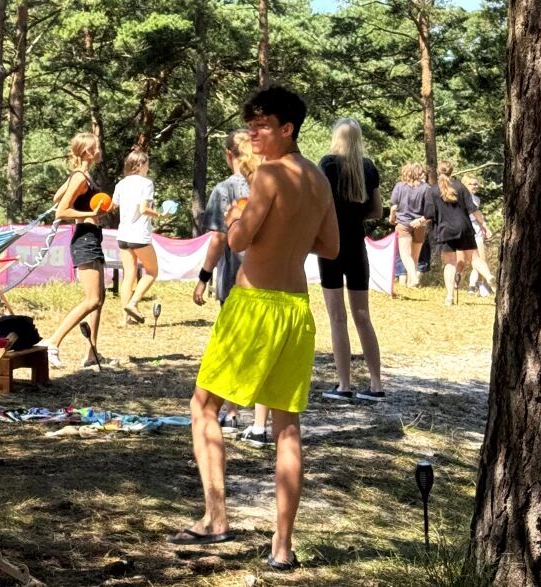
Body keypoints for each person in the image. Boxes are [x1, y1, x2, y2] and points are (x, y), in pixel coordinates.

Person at [171, 87, 338, 574]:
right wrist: (288, 233)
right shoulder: (318, 179)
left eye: (263, 126)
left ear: (288, 128)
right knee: (287, 426)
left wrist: (237, 217)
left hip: (253, 306)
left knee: (203, 405)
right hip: (295, 309)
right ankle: (282, 547)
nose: (254, 135)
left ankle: (215, 518)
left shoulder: (268, 174)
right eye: (251, 126)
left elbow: (239, 240)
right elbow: (330, 246)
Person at [193, 129, 271, 446]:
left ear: (229, 155)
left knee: (231, 347)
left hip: (235, 281)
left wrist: (203, 277)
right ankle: (261, 425)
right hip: (269, 280)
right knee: (263, 350)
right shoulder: (270, 184)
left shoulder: (224, 189)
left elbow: (218, 238)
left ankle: (232, 411)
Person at [317, 119, 385, 403]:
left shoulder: (328, 165)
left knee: (337, 317)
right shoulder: (368, 168)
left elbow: (319, 203)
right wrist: (356, 214)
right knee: (362, 316)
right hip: (357, 247)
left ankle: (344, 384)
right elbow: (378, 211)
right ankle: (376, 384)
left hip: (331, 247)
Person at [38, 132, 112, 369]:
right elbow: (61, 211)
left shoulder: (81, 176)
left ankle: (92, 353)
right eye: (96, 147)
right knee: (92, 300)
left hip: (92, 237)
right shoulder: (80, 177)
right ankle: (53, 342)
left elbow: (57, 197)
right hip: (85, 239)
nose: (99, 150)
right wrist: (91, 213)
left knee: (100, 299)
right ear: (88, 152)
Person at [428, 161, 494, 305]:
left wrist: (420, 221)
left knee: (450, 263)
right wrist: (483, 225)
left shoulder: (433, 190)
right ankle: (488, 276)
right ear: (452, 171)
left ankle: (449, 297)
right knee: (475, 258)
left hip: (445, 230)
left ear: (438, 171)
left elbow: (429, 214)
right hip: (464, 227)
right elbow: (473, 209)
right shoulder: (460, 187)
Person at [111, 148, 164, 326]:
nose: (148, 167)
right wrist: (160, 215)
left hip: (123, 235)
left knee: (129, 276)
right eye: (147, 164)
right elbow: (143, 209)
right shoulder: (146, 183)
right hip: (139, 235)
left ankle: (125, 319)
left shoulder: (121, 184)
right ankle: (133, 303)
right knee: (152, 271)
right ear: (140, 165)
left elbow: (113, 205)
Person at [389, 163, 432, 288]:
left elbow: (394, 207)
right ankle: (410, 284)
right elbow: (430, 209)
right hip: (420, 224)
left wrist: (392, 218)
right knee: (415, 255)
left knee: (405, 254)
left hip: (403, 223)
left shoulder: (400, 186)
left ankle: (413, 277)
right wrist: (421, 220)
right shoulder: (426, 188)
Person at [461, 175, 492, 296]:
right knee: (465, 261)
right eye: (471, 184)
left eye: (476, 184)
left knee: (481, 259)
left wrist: (483, 227)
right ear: (465, 184)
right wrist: (485, 226)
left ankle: (474, 285)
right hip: (465, 231)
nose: (475, 186)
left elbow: (478, 217)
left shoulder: (476, 199)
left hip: (477, 231)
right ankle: (460, 285)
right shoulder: (461, 198)